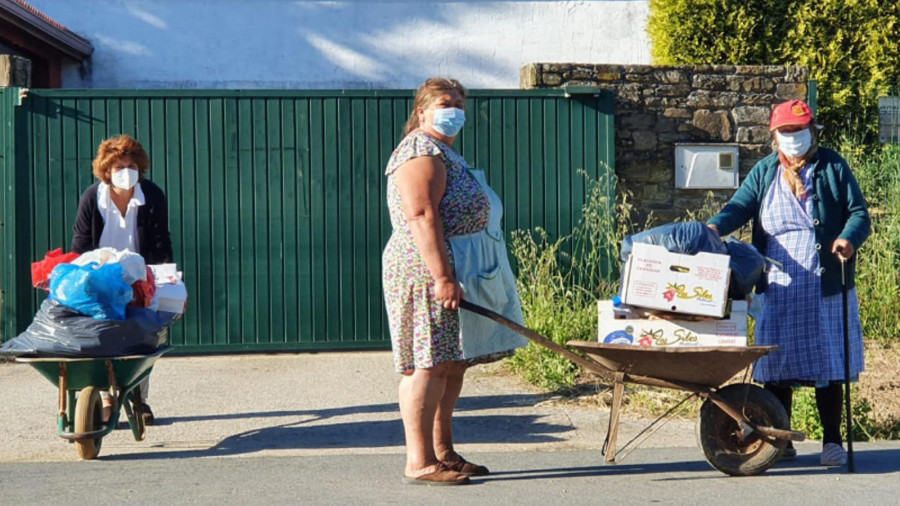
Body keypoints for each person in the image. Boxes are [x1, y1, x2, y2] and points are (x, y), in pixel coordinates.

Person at [707, 99, 870, 466]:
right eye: (786, 132)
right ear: (774, 135)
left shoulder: (831, 167)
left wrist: (847, 239)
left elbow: (859, 212)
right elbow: (739, 206)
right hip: (778, 285)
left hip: (823, 283)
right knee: (777, 366)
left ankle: (832, 441)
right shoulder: (766, 171)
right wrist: (716, 226)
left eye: (799, 131)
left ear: (812, 131)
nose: (793, 138)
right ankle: (781, 440)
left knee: (828, 365)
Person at [382, 78, 528, 485]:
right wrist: (443, 277)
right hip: (425, 270)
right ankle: (420, 461)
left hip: (454, 267)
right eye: (446, 103)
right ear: (422, 112)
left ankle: (443, 451)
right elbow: (421, 215)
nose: (455, 110)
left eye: (460, 103)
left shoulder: (445, 151)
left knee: (451, 362)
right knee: (427, 364)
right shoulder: (419, 150)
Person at [72, 134, 174, 425]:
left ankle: (138, 398)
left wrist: (167, 280)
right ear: (106, 170)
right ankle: (106, 399)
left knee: (142, 339)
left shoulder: (151, 195)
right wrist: (80, 279)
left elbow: (160, 241)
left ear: (139, 169)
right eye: (118, 166)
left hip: (140, 277)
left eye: (131, 165)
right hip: (101, 278)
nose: (125, 172)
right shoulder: (93, 198)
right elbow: (80, 244)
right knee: (101, 338)